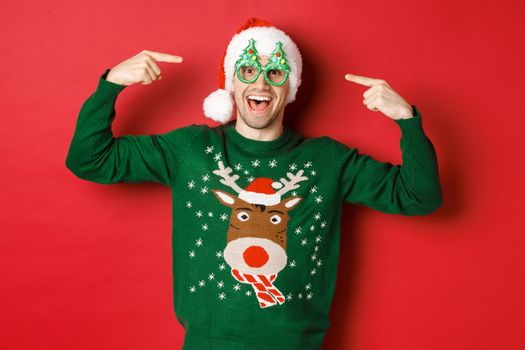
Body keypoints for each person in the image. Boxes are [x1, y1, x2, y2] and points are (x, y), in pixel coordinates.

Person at [66, 17, 442, 350]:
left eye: (275, 73)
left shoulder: (328, 161)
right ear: (231, 83)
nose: (261, 82)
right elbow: (89, 159)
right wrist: (112, 85)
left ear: (289, 87)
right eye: (248, 70)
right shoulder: (191, 149)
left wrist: (406, 121)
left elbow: (419, 196)